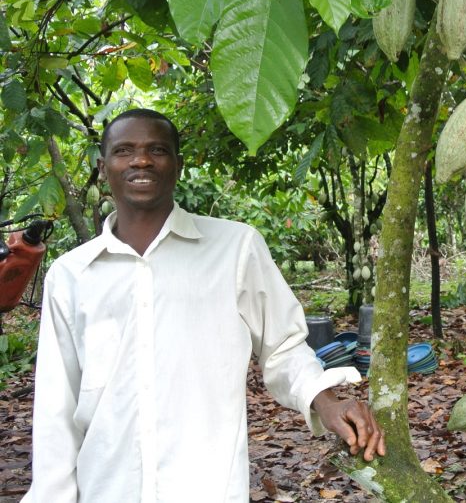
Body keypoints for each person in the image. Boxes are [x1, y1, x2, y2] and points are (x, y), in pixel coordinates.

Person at [25, 109, 385, 502]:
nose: (141, 160)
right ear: (102, 167)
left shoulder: (235, 249)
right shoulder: (71, 275)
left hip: (207, 487)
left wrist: (326, 401)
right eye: (124, 150)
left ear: (178, 166)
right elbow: (57, 407)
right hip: (106, 490)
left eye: (157, 150)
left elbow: (283, 347)